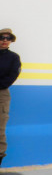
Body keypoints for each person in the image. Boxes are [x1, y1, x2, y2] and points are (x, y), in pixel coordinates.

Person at [0, 28, 21, 168]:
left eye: (8, 38)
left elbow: (12, 76)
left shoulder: (14, 57)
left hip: (1, 94)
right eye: (2, 37)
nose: (5, 40)